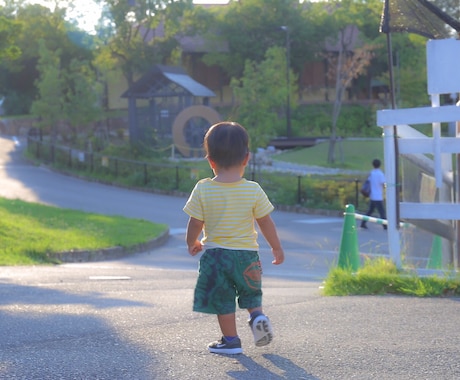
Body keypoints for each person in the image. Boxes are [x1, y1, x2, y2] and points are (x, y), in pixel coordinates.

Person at [183, 121, 285, 355]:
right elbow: (265, 222)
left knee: (223, 298)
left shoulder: (203, 189)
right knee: (250, 292)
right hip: (247, 255)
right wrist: (276, 248)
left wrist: (192, 242)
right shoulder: (253, 190)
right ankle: (257, 316)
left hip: (217, 256)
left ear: (210, 161)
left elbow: (195, 222)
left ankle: (231, 341)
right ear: (246, 159)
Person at [361, 158, 387, 230]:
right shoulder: (380, 174)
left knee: (370, 211)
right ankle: (385, 225)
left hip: (372, 195)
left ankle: (363, 223)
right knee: (382, 212)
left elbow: (368, 182)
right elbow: (383, 184)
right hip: (378, 196)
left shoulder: (372, 173)